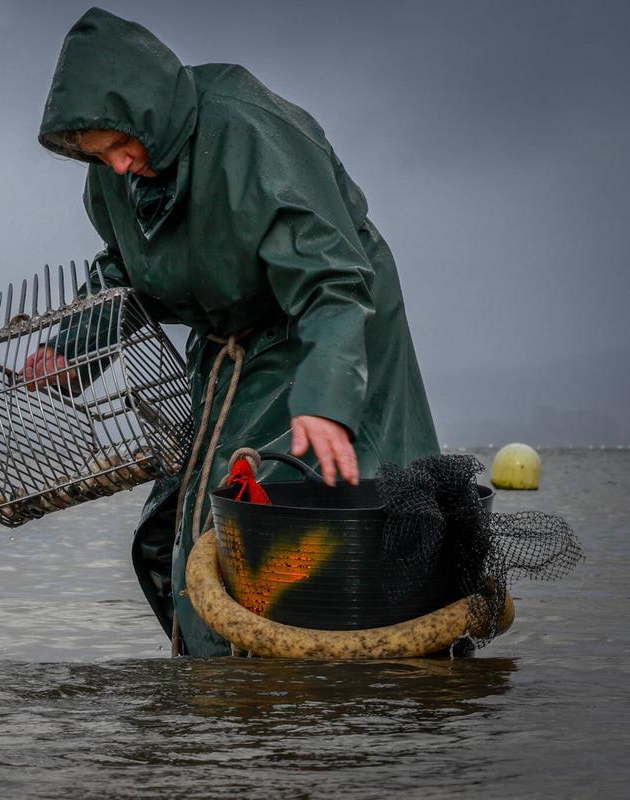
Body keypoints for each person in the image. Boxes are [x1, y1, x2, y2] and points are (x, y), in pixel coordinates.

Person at [28, 8, 441, 656]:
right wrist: (69, 348)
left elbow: (332, 283)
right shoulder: (114, 178)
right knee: (177, 525)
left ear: (148, 113)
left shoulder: (250, 132)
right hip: (226, 339)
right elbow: (124, 268)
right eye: (98, 155)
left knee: (277, 513)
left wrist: (325, 400)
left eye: (120, 145)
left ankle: (313, 695)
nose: (117, 165)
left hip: (321, 324)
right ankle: (212, 692)